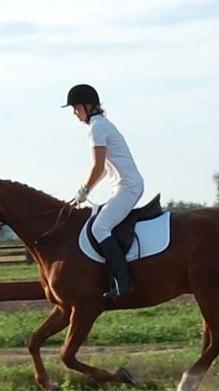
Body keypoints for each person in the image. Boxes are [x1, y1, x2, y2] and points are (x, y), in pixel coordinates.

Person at [62, 84, 145, 299]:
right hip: (124, 186)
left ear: (87, 106)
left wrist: (84, 190)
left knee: (99, 228)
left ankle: (123, 282)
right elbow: (103, 170)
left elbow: (97, 167)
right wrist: (84, 192)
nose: (74, 113)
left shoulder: (96, 127)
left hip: (128, 187)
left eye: (75, 108)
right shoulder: (100, 124)